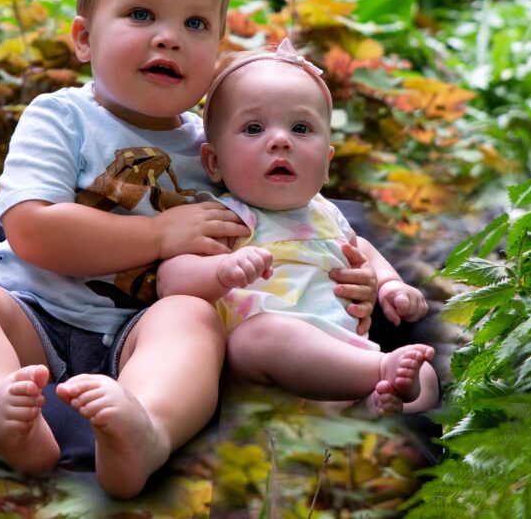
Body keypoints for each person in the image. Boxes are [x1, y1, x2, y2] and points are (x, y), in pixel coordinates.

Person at [0, 0, 379, 499]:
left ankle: (145, 426)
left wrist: (346, 281)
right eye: (140, 13)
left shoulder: (218, 146)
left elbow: (285, 228)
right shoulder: (63, 117)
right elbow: (31, 229)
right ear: (83, 37)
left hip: (140, 334)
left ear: (218, 48)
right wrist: (160, 235)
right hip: (29, 315)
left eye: (196, 24)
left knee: (193, 317)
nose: (169, 38)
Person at [157, 39, 440, 416]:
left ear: (326, 164)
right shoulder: (226, 217)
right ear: (213, 163)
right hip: (264, 380)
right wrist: (221, 271)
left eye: (301, 128)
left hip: (343, 356)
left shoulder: (329, 216)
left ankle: (369, 403)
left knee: (430, 378)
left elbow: (365, 252)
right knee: (258, 338)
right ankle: (376, 375)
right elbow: (171, 280)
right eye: (254, 128)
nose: (280, 140)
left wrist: (390, 285)